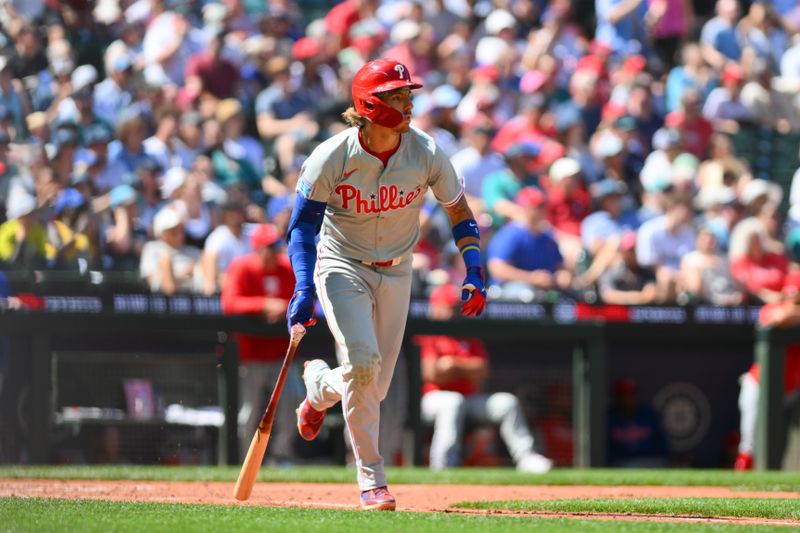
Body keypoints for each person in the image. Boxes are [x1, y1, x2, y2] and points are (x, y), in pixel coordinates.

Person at [286, 59, 486, 511]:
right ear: (370, 103)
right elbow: (301, 229)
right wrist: (303, 286)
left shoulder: (428, 151)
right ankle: (372, 480)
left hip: (398, 270)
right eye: (397, 95)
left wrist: (473, 268)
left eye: (408, 94)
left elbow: (459, 212)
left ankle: (318, 387)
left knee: (372, 383)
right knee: (362, 362)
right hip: (342, 264)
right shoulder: (331, 155)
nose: (408, 103)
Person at [414, 283, 553, 473]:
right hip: (432, 401)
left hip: (469, 400)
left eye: (457, 307)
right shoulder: (427, 333)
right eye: (449, 307)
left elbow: (483, 368)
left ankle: (526, 457)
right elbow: (432, 374)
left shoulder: (465, 333)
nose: (454, 312)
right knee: (452, 402)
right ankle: (444, 464)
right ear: (435, 306)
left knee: (507, 402)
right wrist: (464, 368)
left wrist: (452, 365)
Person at [220, 223, 302, 463]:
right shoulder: (242, 267)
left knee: (291, 404)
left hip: (281, 354)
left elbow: (303, 299)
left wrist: (283, 308)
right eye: (268, 247)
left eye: (276, 246)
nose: (273, 252)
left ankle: (281, 455)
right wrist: (264, 305)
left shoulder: (286, 269)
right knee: (249, 412)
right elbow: (230, 304)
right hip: (249, 354)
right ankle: (246, 459)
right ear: (257, 248)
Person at [735, 270, 800, 471]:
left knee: (789, 450)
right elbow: (778, 318)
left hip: (792, 392)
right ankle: (738, 495)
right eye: (790, 293)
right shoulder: (772, 308)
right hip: (760, 386)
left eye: (796, 294)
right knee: (749, 444)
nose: (793, 297)